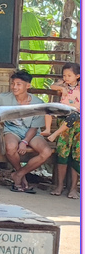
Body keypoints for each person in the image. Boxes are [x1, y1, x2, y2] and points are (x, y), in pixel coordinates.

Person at [0, 70, 52, 193]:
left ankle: (18, 175)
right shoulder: (3, 98)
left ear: (27, 86)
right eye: (13, 84)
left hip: (32, 132)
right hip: (12, 129)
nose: (14, 87)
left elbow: (34, 127)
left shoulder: (38, 103)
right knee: (11, 147)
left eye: (19, 84)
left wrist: (24, 141)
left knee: (46, 152)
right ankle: (20, 176)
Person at [42, 63, 80, 198]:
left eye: (69, 75)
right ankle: (59, 186)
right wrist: (61, 87)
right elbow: (53, 86)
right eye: (64, 75)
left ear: (78, 76)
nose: (66, 78)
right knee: (62, 154)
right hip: (64, 120)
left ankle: (73, 188)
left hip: (78, 124)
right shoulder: (63, 85)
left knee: (77, 155)